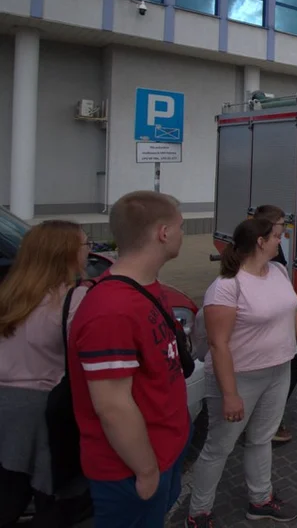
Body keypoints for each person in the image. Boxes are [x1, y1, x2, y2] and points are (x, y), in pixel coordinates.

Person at [67, 191, 190, 527]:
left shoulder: (146, 287)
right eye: (180, 226)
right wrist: (146, 469)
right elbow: (112, 406)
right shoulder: (111, 311)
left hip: (163, 452)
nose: (183, 233)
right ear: (163, 233)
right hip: (131, 468)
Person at [187, 218, 297, 526]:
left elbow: (292, 310)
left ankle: (260, 500)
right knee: (219, 447)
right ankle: (198, 513)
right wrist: (230, 394)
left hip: (278, 371)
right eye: (277, 236)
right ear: (261, 241)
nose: (280, 241)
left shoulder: (278, 271)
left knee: (261, 438)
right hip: (239, 377)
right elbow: (218, 346)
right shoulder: (227, 286)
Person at [0, 221, 92, 528]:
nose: (90, 250)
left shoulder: (7, 295)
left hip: (5, 409)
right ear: (64, 254)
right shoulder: (75, 300)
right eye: (85, 244)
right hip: (45, 413)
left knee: (9, 497)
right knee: (53, 502)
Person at [249, 205, 297, 445]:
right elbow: (280, 300)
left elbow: (285, 295)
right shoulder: (239, 277)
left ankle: (266, 416)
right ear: (264, 237)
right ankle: (268, 415)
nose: (281, 238)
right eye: (280, 229)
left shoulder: (276, 264)